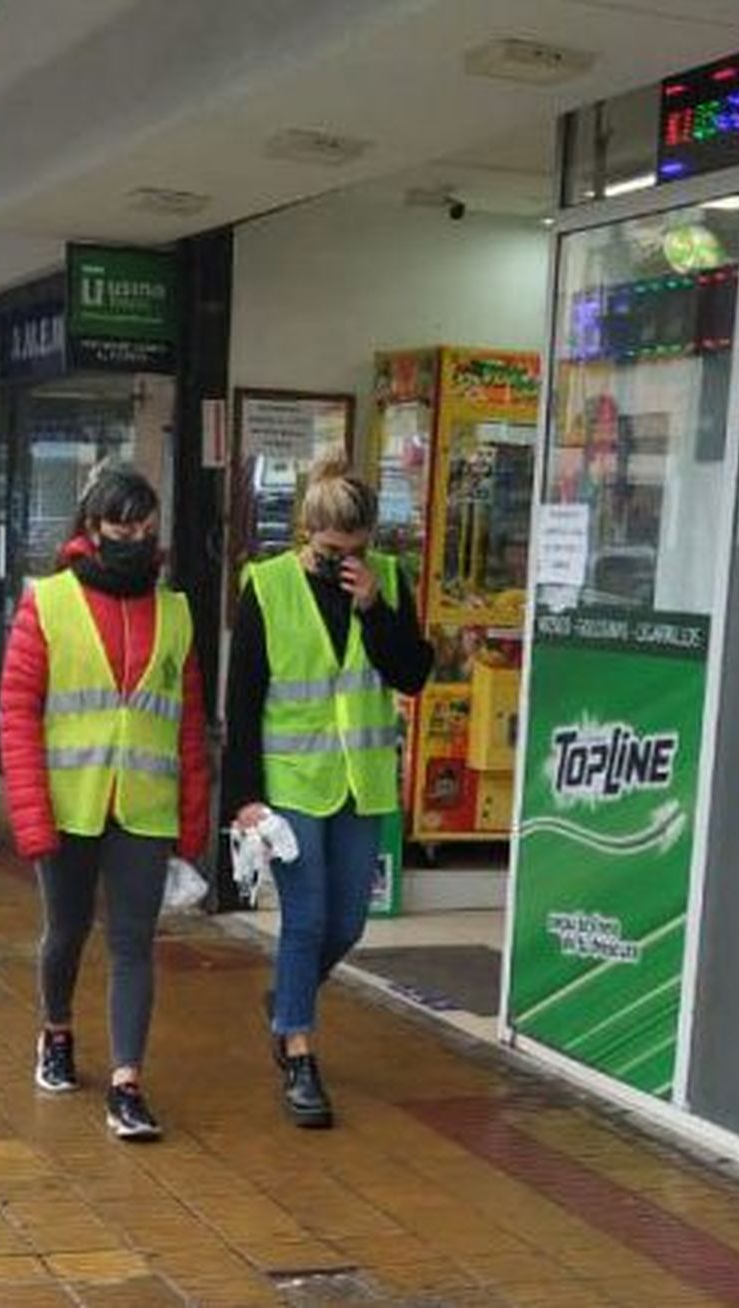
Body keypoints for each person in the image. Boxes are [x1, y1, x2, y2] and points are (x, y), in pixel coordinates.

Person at [0, 463, 210, 1142]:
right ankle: (56, 1031)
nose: (136, 537)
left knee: (133, 945)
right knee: (66, 931)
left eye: (147, 527)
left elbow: (188, 722)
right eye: (123, 525)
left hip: (143, 807)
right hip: (68, 803)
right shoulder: (48, 601)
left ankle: (127, 1083)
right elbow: (18, 714)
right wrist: (29, 814)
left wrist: (192, 819)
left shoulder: (175, 612)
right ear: (92, 525)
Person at [224, 450, 432, 1129]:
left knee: (348, 923)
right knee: (306, 918)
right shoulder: (268, 584)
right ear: (306, 532)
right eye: (327, 548)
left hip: (360, 782)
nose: (338, 559)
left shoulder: (391, 581)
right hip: (293, 781)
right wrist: (245, 797)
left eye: (353, 548)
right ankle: (301, 1057)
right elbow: (244, 696)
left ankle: (288, 1000)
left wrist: (374, 606)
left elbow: (412, 674)